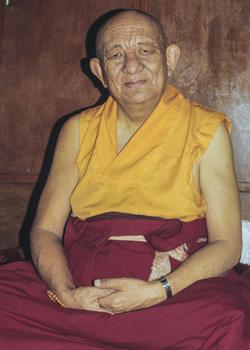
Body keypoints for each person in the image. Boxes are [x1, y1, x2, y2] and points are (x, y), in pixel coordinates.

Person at [0, 8, 249, 350]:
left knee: (228, 317)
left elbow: (228, 245)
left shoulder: (206, 131)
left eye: (145, 51)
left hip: (170, 288)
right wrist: (66, 293)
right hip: (81, 280)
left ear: (170, 58)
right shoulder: (77, 130)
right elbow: (44, 230)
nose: (132, 66)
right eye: (116, 55)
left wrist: (158, 290)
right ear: (99, 71)